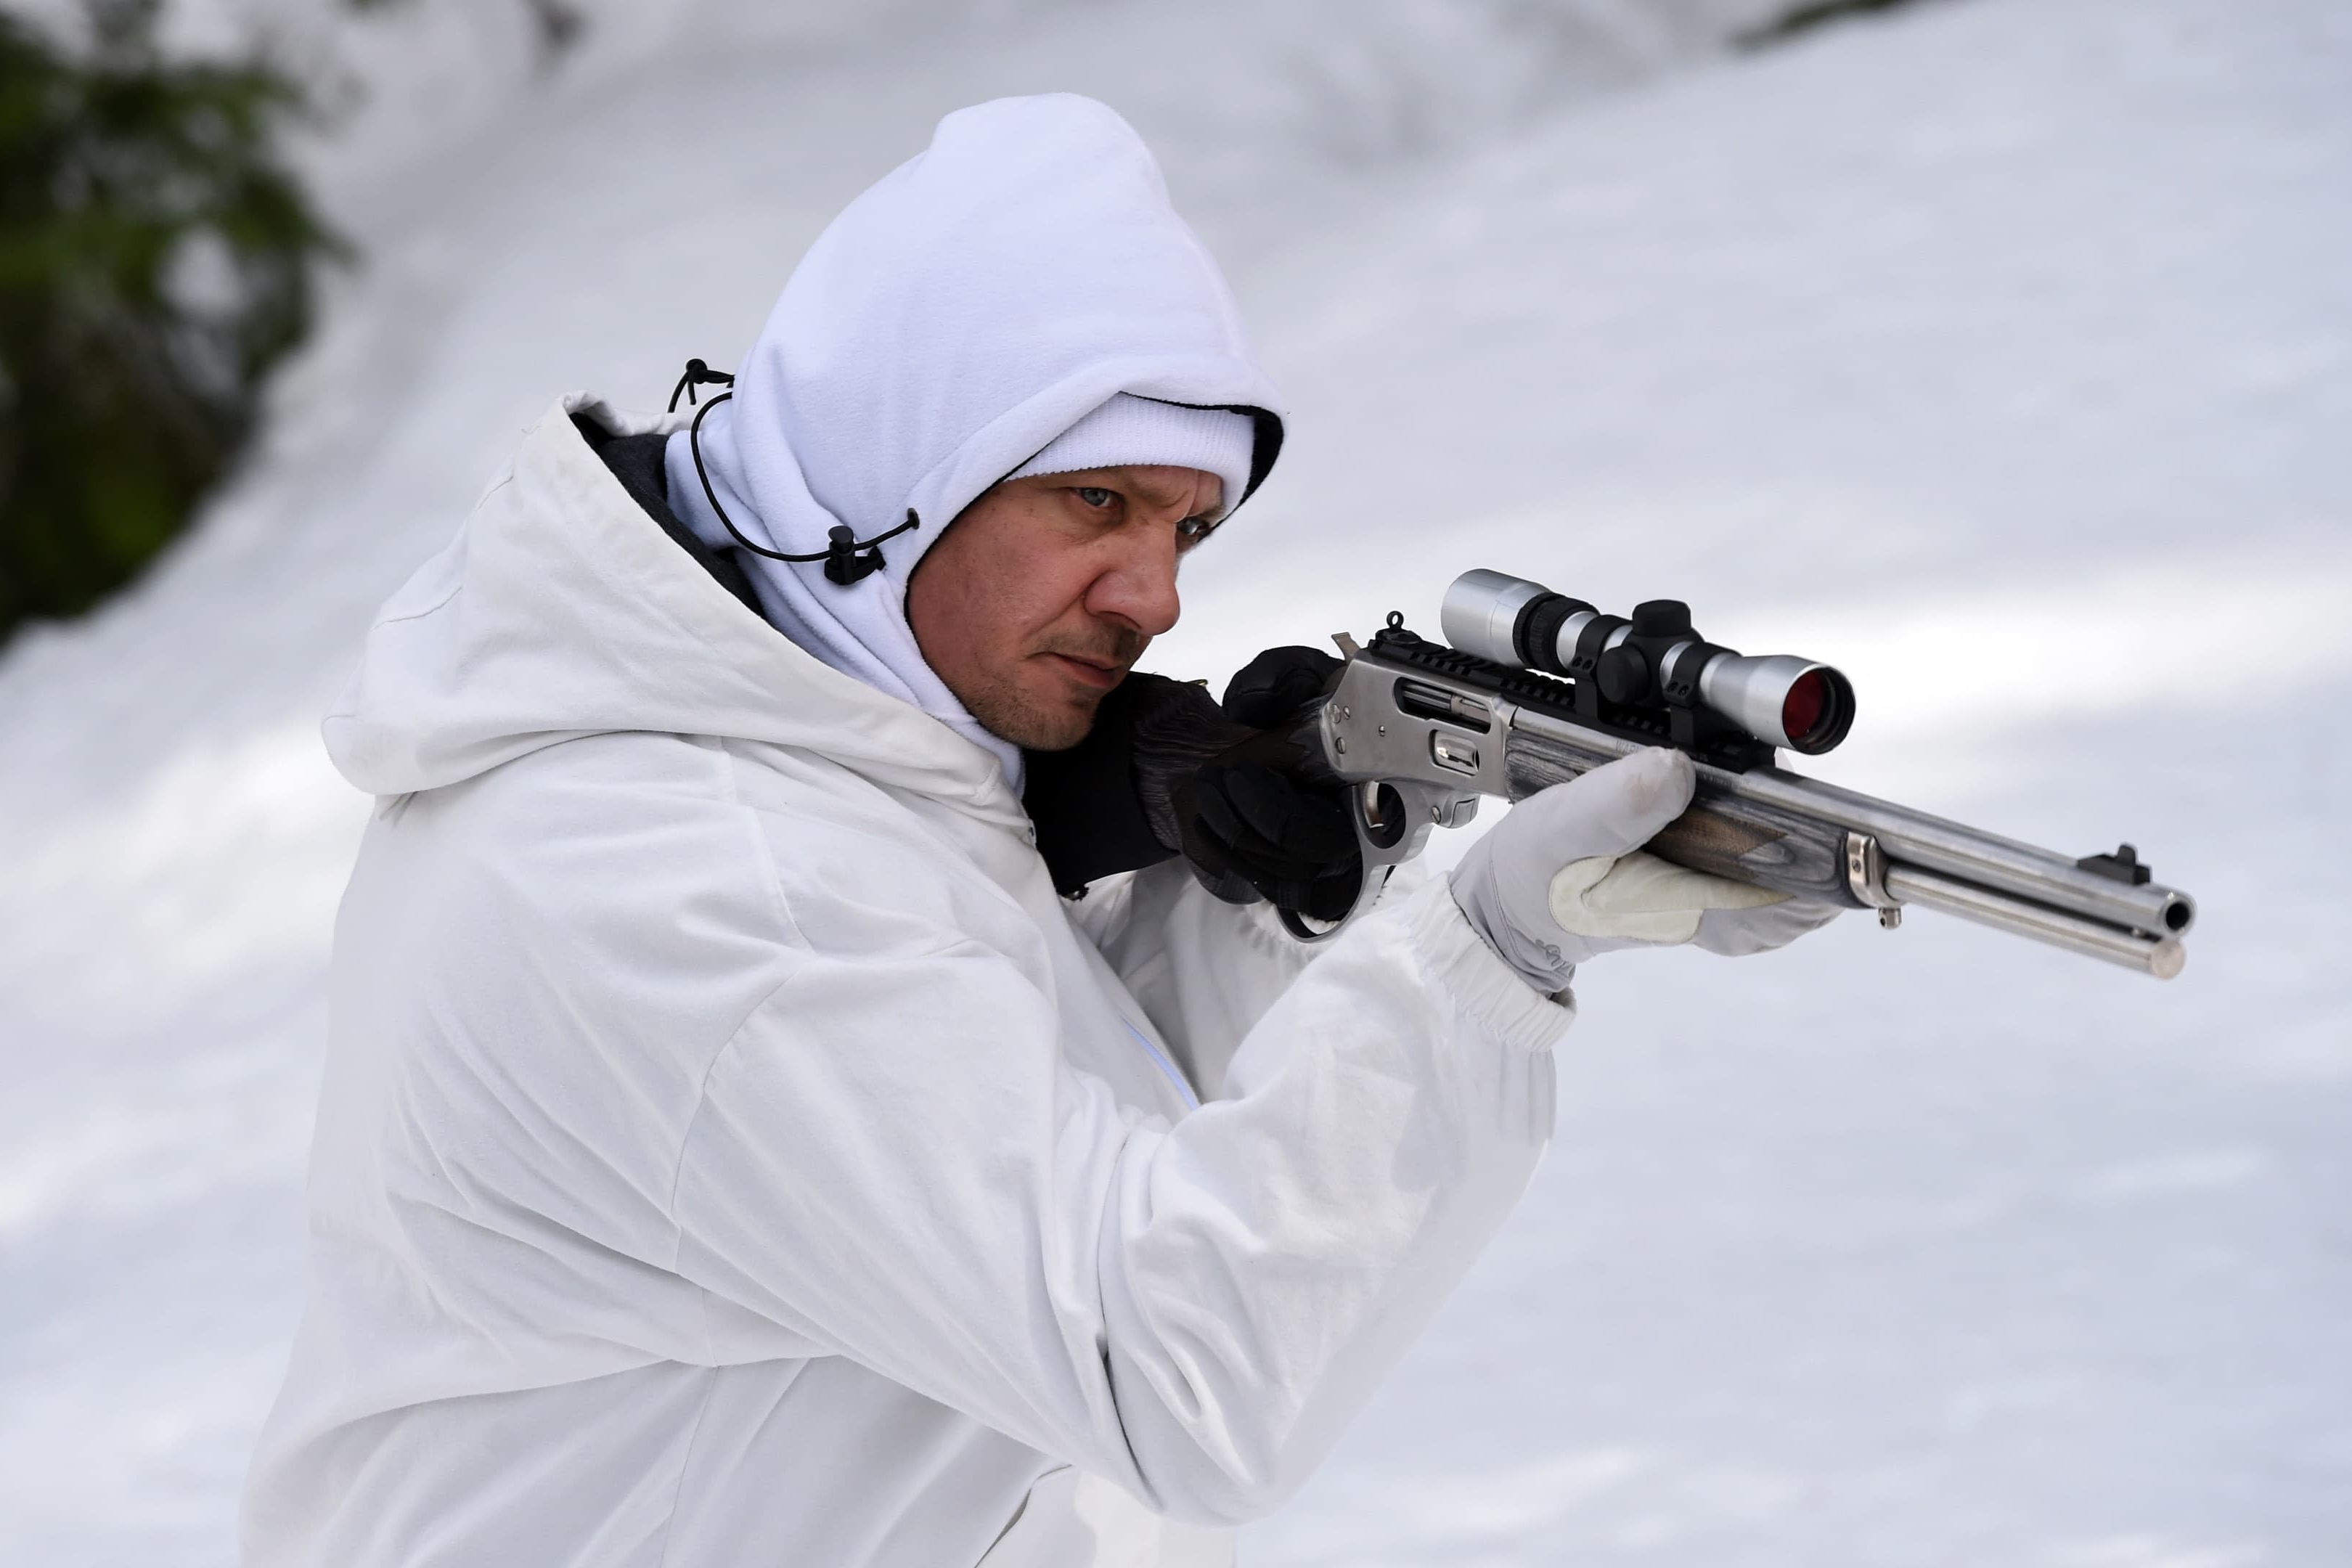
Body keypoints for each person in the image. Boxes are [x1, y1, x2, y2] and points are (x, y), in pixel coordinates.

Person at [242, 94, 1834, 1567]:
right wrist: (1481, 962)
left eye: (1190, 525)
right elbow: (1173, 1369)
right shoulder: (693, 871)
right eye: (1097, 503)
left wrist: (1282, 890)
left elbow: (1020, 1134)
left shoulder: (801, 753)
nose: (1159, 594)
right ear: (897, 475)